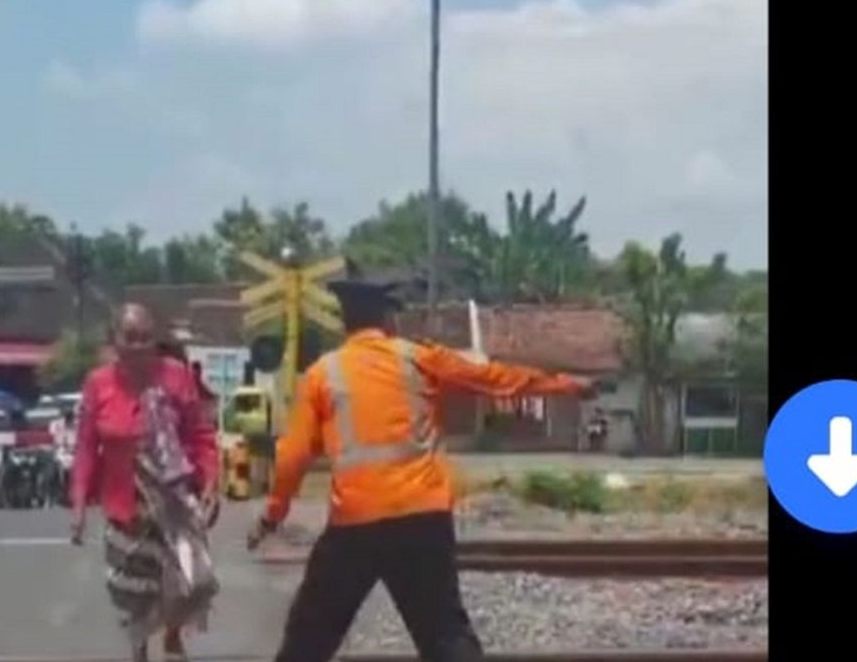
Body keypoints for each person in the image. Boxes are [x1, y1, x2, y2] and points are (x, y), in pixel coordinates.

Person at [247, 278, 596, 662]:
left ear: (344, 322)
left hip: (354, 523)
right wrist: (567, 385)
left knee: (309, 638)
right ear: (386, 318)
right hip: (421, 517)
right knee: (444, 635)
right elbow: (495, 379)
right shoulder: (418, 358)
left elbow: (293, 455)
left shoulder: (322, 375)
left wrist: (273, 515)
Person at [70, 303, 221, 662]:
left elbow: (201, 434)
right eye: (130, 338)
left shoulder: (178, 377)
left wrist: (211, 480)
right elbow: (87, 447)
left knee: (190, 578)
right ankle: (139, 648)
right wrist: (78, 506)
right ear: (115, 342)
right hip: (126, 501)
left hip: (174, 496)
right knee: (133, 587)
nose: (138, 346)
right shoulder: (98, 384)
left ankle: (172, 634)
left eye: (146, 338)